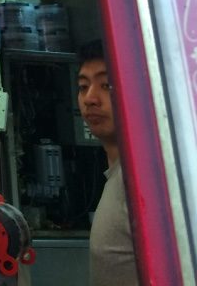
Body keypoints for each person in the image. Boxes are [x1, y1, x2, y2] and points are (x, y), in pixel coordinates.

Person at [77, 39, 139, 286]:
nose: (90, 98)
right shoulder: (118, 176)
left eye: (107, 85)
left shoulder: (139, 182)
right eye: (83, 86)